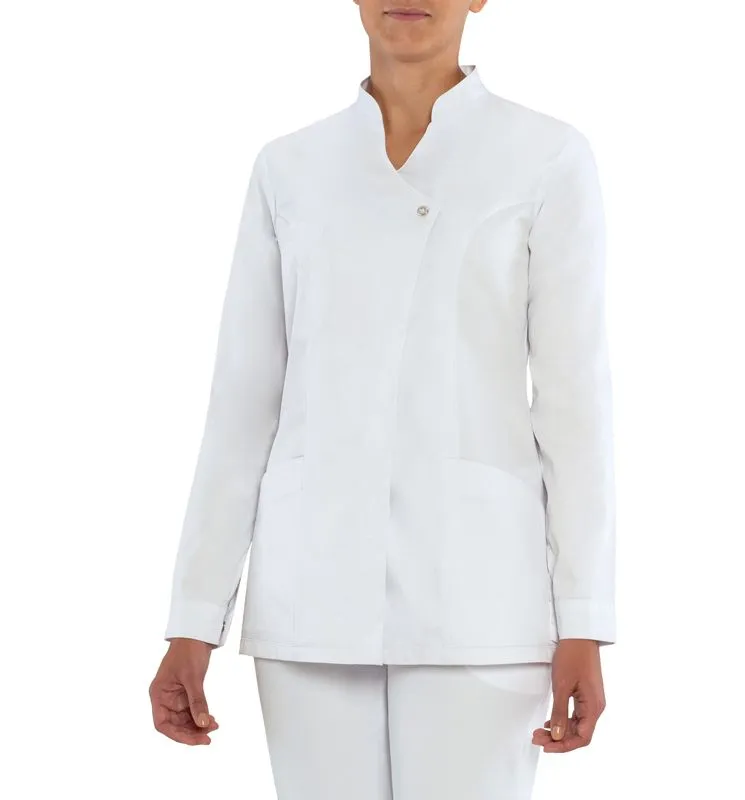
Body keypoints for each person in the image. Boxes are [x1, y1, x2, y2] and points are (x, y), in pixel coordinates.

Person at [149, 1, 617, 796]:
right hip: (311, 585)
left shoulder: (546, 157)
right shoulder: (289, 168)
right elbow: (242, 405)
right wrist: (194, 618)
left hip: (480, 593)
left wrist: (584, 618)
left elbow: (575, 406)